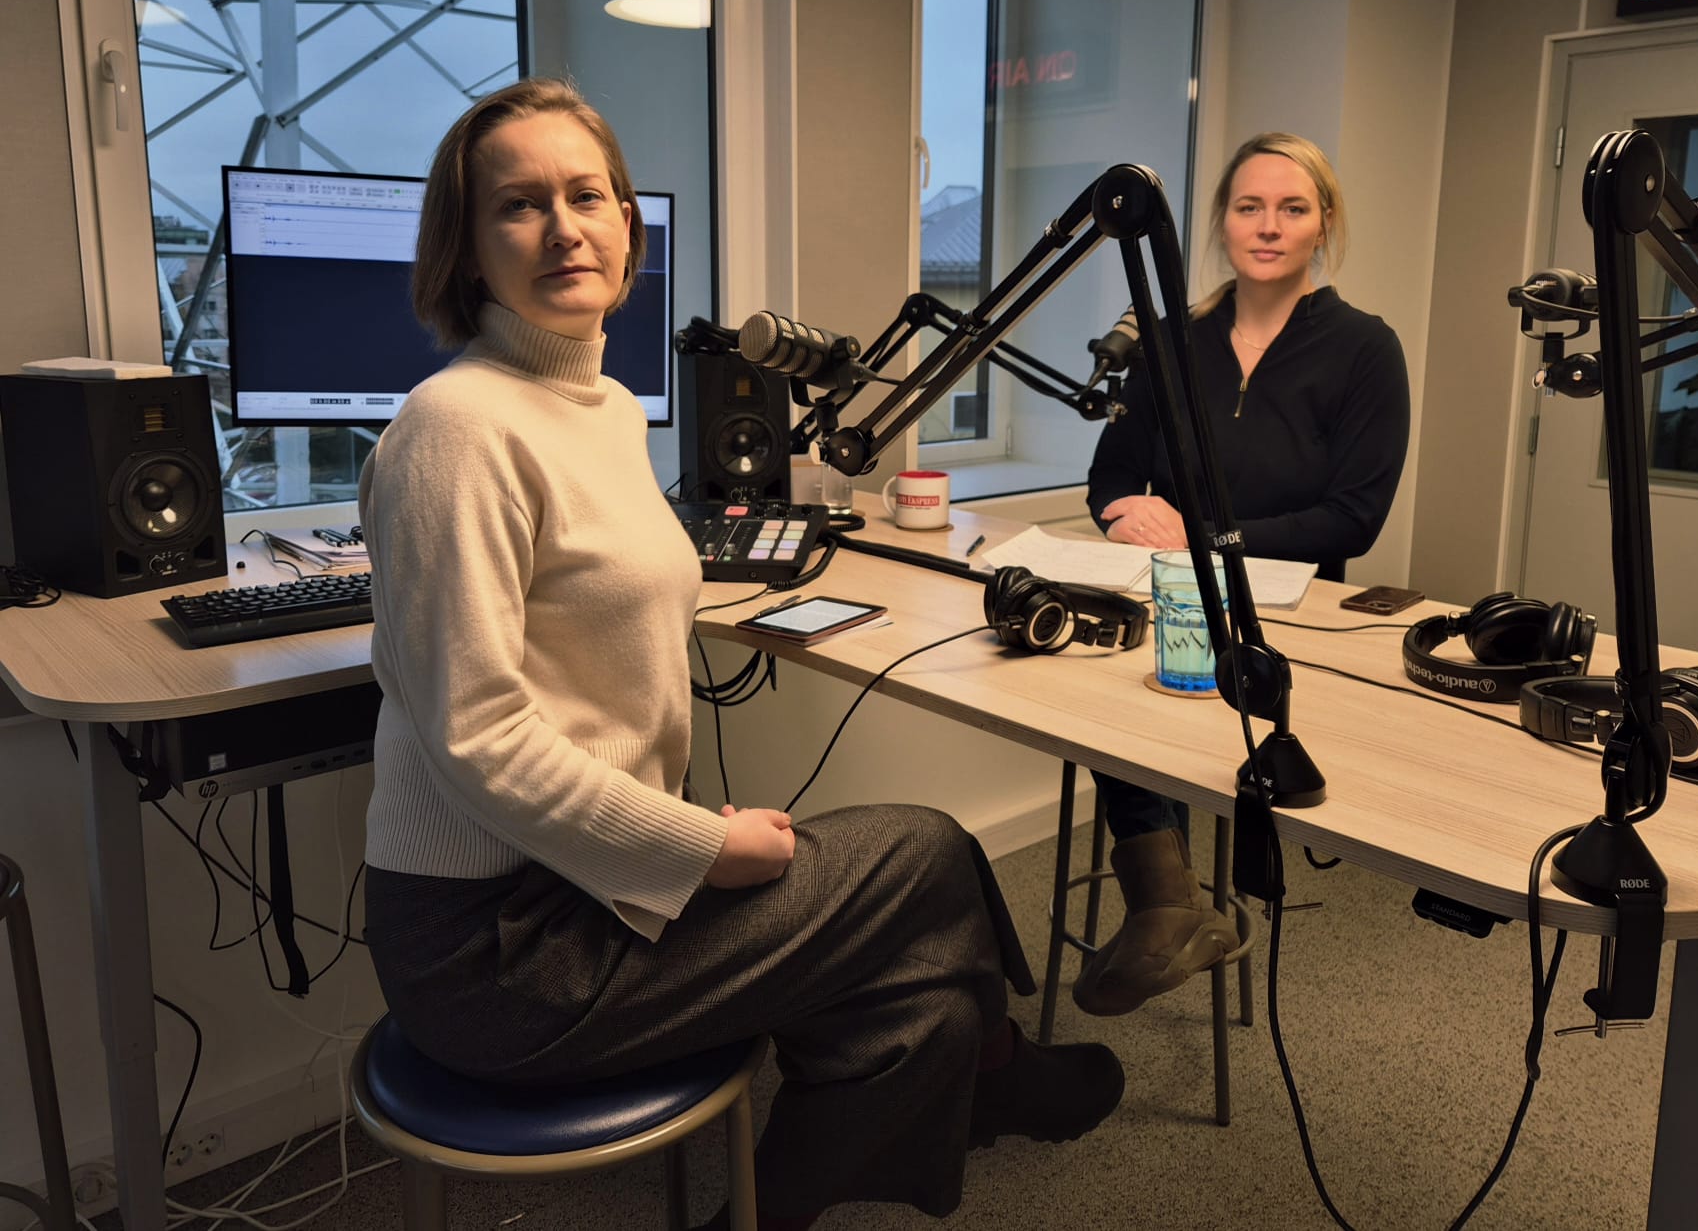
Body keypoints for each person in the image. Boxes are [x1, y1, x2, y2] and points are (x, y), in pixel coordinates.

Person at [358, 77, 1123, 1231]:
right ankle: (994, 1074)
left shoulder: (604, 406)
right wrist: (701, 846)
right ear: (466, 248)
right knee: (926, 854)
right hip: (500, 953)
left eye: (586, 196)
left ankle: (967, 1073)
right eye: (518, 205)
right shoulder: (454, 428)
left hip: (586, 883)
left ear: (627, 225)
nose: (562, 228)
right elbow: (479, 738)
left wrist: (680, 840)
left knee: (911, 1000)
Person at [1076, 131, 1410, 1017]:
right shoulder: (1167, 342)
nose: (1268, 226)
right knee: (1096, 688)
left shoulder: (1365, 350)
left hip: (1285, 616)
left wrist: (1202, 538)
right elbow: (1111, 476)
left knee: (1176, 701)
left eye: (1292, 208)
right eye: (1249, 206)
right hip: (1174, 597)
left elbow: (1354, 518)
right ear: (1221, 222)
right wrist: (1124, 511)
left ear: (1323, 223)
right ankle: (1168, 901)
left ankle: (1168, 902)